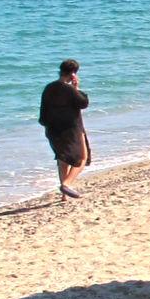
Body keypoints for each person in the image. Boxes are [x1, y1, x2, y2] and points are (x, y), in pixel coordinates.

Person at [39, 58, 90, 199]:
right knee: (82, 159)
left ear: (60, 71)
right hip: (72, 129)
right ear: (73, 74)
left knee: (62, 159)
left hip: (52, 129)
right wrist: (76, 87)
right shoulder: (69, 89)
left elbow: (43, 112)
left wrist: (46, 125)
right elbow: (83, 103)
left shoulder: (49, 88)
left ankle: (64, 195)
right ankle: (66, 184)